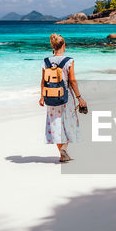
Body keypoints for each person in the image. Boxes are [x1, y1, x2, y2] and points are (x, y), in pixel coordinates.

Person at [42, 33, 86, 163]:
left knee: (55, 123)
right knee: (69, 123)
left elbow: (43, 81)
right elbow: (72, 81)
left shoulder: (46, 61)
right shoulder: (69, 61)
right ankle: (64, 149)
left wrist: (41, 97)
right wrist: (79, 98)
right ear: (64, 45)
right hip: (66, 97)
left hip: (50, 96)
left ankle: (62, 154)